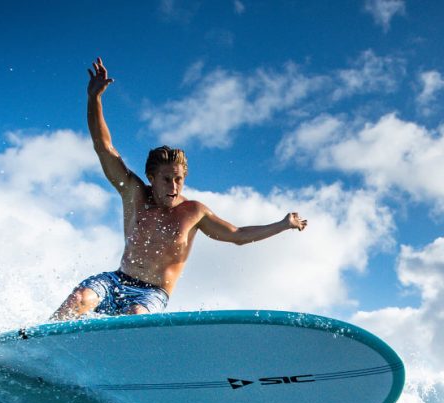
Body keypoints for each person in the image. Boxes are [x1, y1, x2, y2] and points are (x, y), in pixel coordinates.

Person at [51, 58, 307, 321]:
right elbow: (103, 147)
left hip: (151, 294)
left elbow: (238, 235)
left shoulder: (194, 212)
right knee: (79, 298)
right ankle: (36, 344)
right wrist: (94, 98)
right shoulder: (134, 192)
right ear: (151, 177)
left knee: (135, 315)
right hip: (117, 279)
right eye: (166, 180)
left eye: (179, 179)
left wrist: (283, 224)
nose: (173, 187)